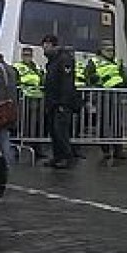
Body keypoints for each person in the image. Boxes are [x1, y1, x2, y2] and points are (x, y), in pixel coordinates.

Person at [42, 34, 80, 169]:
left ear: (53, 45)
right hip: (52, 102)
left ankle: (66, 157)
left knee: (61, 131)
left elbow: (66, 84)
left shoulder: (64, 60)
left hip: (61, 103)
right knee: (53, 130)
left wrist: (63, 103)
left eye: (46, 46)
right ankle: (57, 156)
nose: (44, 49)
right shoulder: (52, 61)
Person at [86, 41, 127, 160]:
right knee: (104, 122)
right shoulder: (94, 61)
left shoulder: (116, 62)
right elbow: (89, 77)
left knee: (117, 123)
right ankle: (105, 149)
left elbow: (122, 75)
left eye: (112, 50)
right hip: (103, 94)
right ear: (101, 51)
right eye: (108, 50)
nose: (111, 53)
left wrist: (124, 90)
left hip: (116, 94)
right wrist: (97, 84)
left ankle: (118, 149)